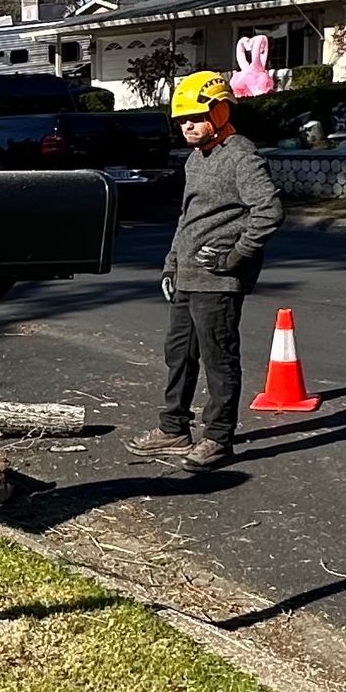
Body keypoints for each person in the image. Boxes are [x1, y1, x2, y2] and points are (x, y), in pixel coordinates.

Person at [130, 70, 283, 469]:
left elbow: (269, 212)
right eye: (181, 121)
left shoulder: (241, 156)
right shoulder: (196, 160)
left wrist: (235, 257)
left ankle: (218, 437)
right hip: (187, 277)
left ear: (219, 111)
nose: (187, 127)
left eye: (195, 118)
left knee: (219, 358)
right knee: (178, 354)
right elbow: (188, 218)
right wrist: (170, 264)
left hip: (219, 280)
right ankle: (173, 429)